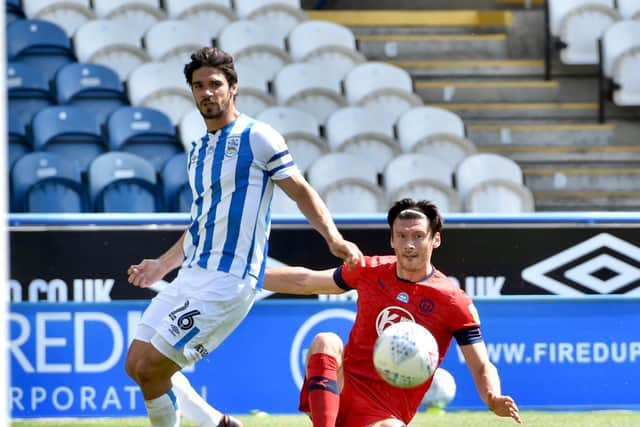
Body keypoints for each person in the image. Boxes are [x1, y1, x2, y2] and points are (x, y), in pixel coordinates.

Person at [124, 46, 363, 427]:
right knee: (136, 364)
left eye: (215, 84)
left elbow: (300, 190)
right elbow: (202, 221)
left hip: (229, 281)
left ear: (233, 87)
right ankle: (217, 424)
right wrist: (163, 265)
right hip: (192, 275)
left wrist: (333, 237)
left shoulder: (259, 137)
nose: (207, 92)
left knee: (153, 367)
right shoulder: (198, 151)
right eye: (198, 85)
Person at [263, 198, 522, 427]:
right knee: (325, 341)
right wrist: (249, 276)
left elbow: (481, 365)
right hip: (343, 389)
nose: (409, 244)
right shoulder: (369, 269)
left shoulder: (454, 301)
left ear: (436, 239)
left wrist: (492, 397)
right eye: (401, 236)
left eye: (418, 236)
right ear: (392, 239)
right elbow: (305, 281)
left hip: (385, 413)